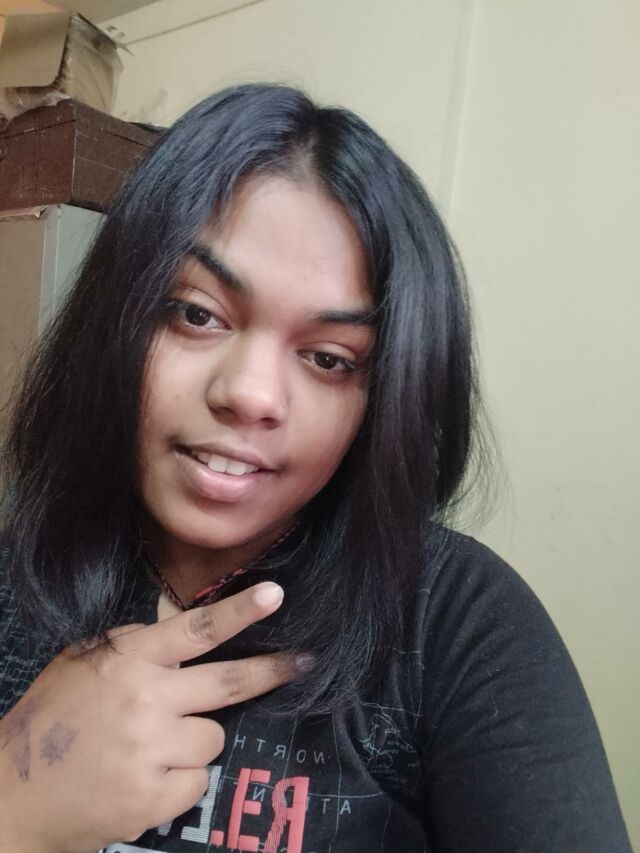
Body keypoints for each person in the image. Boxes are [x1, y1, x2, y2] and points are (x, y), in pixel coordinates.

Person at [0, 83, 631, 853]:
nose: (249, 394)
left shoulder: (457, 621)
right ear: (117, 315)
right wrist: (15, 805)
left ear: (384, 397)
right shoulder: (15, 574)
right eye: (197, 313)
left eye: (329, 358)